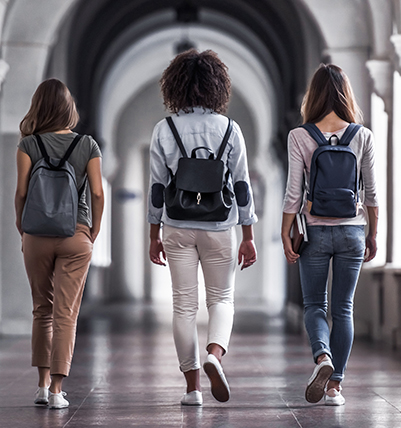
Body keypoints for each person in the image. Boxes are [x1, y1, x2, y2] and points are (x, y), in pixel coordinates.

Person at [148, 49, 258, 406]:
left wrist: (153, 234)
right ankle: (215, 354)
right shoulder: (230, 129)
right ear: (217, 87)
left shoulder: (164, 129)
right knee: (222, 299)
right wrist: (248, 235)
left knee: (183, 307)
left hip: (176, 225)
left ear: (175, 86)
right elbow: (242, 185)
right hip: (220, 225)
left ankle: (193, 388)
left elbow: (156, 187)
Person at [281, 64, 378, 406]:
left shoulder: (300, 136)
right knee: (344, 308)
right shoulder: (362, 135)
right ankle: (335, 387)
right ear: (346, 95)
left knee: (314, 304)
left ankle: (322, 357)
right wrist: (373, 234)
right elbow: (372, 195)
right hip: (353, 230)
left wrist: (285, 231)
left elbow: (294, 192)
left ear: (314, 95)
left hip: (315, 231)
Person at [14, 78, 104, 409]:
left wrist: (23, 228)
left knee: (42, 310)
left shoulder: (28, 145)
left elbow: (22, 192)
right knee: (66, 313)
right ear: (69, 108)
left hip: (36, 234)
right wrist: (92, 231)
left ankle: (39, 386)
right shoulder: (87, 145)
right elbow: (96, 192)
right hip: (75, 234)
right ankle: (56, 391)